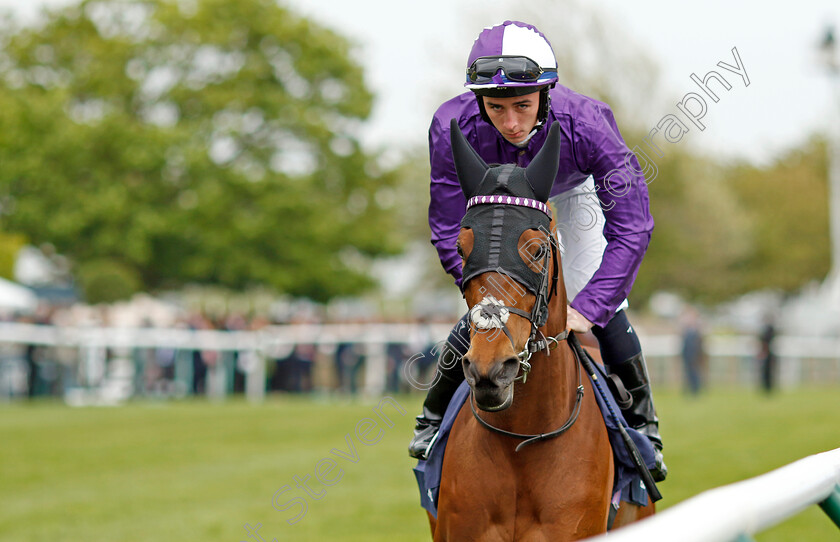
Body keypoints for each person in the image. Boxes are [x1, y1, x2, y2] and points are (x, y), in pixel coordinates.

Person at [408, 20, 667, 481]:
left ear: (546, 95)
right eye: (496, 107)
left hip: (573, 195)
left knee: (603, 300)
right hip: (496, 203)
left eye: (523, 106)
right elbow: (448, 225)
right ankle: (432, 415)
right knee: (492, 303)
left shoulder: (588, 122)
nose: (509, 123)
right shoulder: (452, 124)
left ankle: (644, 422)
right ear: (478, 101)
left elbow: (632, 225)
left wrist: (590, 307)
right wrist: (481, 291)